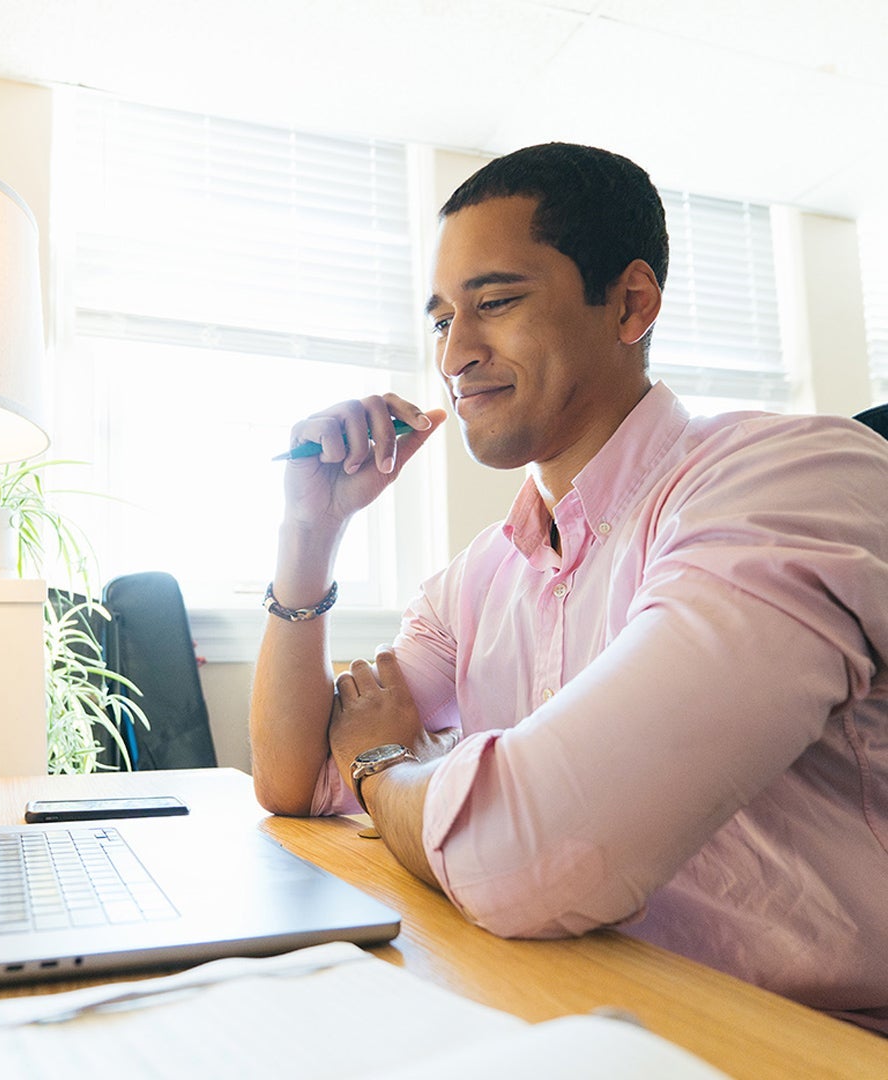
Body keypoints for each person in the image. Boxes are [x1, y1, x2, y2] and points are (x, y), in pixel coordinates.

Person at [248, 142, 888, 1033]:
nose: (456, 354)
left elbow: (531, 851)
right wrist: (310, 532)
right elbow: (294, 776)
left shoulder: (790, 480)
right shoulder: (480, 575)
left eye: (496, 303)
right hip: (572, 1016)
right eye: (440, 321)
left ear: (630, 304)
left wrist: (384, 765)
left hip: (805, 1043)